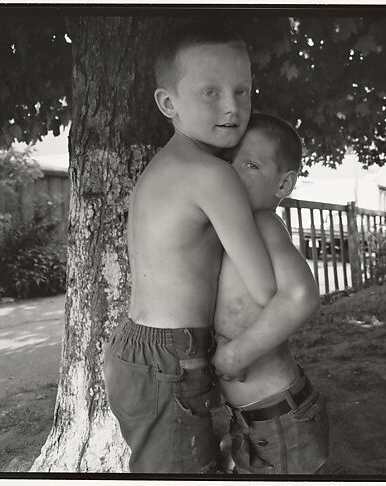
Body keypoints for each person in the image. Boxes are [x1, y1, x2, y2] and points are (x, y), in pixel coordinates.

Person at [103, 23, 276, 474]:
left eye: (243, 91)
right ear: (168, 103)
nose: (232, 107)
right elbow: (263, 288)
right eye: (210, 92)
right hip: (171, 359)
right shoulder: (212, 175)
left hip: (135, 348)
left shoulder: (164, 166)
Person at [213, 113, 329, 474]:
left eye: (250, 164)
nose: (232, 171)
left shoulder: (263, 222)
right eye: (228, 160)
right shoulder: (237, 232)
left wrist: (236, 354)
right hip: (257, 416)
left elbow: (300, 295)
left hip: (280, 417)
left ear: (284, 184)